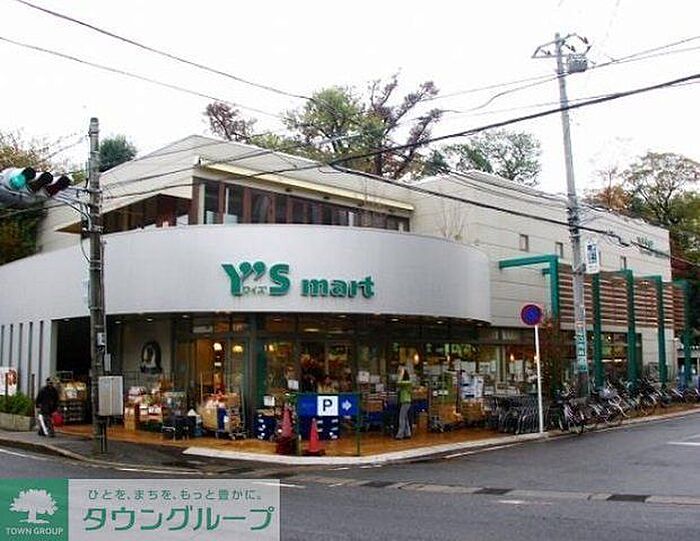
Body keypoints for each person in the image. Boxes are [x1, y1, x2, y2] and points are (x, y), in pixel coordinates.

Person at [396, 368, 413, 439]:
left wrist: (401, 373)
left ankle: (400, 434)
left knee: (401, 418)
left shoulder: (407, 382)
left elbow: (398, 382)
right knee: (405, 417)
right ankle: (408, 433)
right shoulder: (407, 382)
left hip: (406, 401)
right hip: (405, 401)